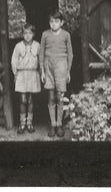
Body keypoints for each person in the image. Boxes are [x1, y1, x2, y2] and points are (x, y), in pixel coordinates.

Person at [39, 10, 73, 138]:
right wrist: (42, 71)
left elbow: (70, 54)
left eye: (56, 21)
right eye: (51, 21)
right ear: (49, 22)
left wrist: (68, 71)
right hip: (48, 66)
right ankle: (53, 125)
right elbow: (41, 53)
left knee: (60, 97)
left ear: (61, 22)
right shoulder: (45, 34)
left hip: (61, 66)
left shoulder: (66, 35)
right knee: (51, 97)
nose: (54, 24)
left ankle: (59, 124)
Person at [11, 23, 41, 134]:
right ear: (22, 34)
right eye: (25, 33)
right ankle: (22, 123)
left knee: (30, 100)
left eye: (30, 33)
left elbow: (41, 60)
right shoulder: (18, 46)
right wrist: (15, 73)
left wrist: (41, 73)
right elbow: (13, 61)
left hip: (33, 74)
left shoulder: (37, 45)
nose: (27, 35)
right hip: (22, 74)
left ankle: (30, 123)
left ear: (33, 34)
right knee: (23, 100)